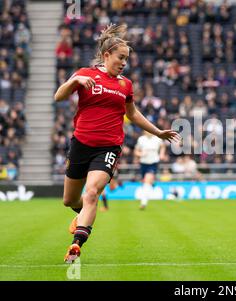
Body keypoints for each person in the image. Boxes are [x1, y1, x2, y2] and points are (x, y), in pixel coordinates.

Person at [54, 24, 180, 263]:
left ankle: (76, 245)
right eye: (121, 57)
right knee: (70, 200)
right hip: (81, 144)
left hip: (108, 148)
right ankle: (81, 217)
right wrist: (75, 81)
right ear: (106, 55)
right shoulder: (86, 74)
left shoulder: (125, 85)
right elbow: (59, 96)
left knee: (92, 193)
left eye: (127, 59)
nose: (124, 63)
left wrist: (157, 132)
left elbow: (132, 114)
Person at [134, 130, 166, 210]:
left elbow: (163, 146)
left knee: (147, 181)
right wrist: (140, 154)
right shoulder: (141, 139)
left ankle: (143, 203)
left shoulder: (157, 139)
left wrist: (162, 154)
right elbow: (136, 151)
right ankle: (152, 184)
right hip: (143, 163)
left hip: (153, 163)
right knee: (145, 182)